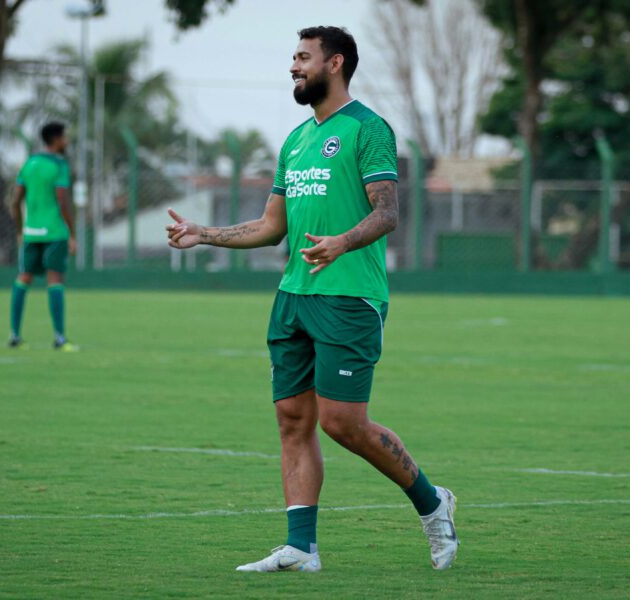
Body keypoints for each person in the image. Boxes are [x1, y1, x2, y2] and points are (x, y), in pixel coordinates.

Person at [166, 26, 458, 572]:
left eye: (303, 58)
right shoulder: (296, 140)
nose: (294, 67)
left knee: (343, 423)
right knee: (291, 420)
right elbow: (272, 227)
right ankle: (302, 548)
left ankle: (432, 501)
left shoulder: (368, 130)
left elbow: (388, 212)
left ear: (336, 64)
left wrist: (341, 243)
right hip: (294, 296)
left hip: (349, 296)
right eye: (292, 58)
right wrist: (204, 234)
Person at [8, 121, 78, 351]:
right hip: (55, 231)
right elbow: (62, 200)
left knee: (23, 277)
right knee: (55, 280)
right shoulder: (59, 164)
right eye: (64, 138)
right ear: (56, 140)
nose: (66, 142)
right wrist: (72, 233)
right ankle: (59, 338)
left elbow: (15, 201)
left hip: (31, 232)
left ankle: (15, 335)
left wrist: (20, 229)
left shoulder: (29, 163)